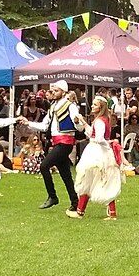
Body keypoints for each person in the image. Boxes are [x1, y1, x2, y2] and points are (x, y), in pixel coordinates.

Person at [22, 80, 82, 211]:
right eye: (52, 91)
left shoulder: (70, 106)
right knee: (65, 174)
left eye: (56, 91)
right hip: (58, 143)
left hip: (65, 143)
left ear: (63, 91)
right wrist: (29, 123)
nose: (53, 93)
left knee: (44, 166)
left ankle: (52, 196)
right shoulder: (53, 107)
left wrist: (77, 122)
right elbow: (44, 126)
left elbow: (79, 127)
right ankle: (75, 202)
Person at [67, 96, 124, 220]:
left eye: (95, 105)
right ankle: (85, 211)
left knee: (88, 177)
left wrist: (107, 144)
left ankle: (80, 211)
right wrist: (83, 121)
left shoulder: (100, 121)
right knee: (99, 179)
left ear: (101, 107)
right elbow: (91, 133)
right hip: (100, 150)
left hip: (97, 151)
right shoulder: (102, 120)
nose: (92, 106)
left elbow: (98, 138)